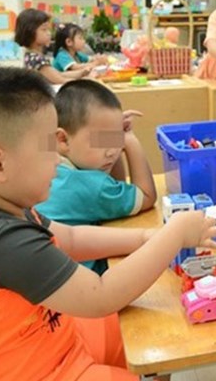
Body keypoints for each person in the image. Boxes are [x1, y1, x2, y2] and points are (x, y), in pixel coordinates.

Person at [0, 65, 216, 381]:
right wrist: (172, 235)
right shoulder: (4, 241)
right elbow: (101, 295)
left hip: (54, 343)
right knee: (140, 323)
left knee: (154, 331)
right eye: (47, 147)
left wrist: (146, 237)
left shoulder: (7, 213)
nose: (57, 159)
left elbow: (71, 239)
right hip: (41, 371)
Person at [35, 80, 157, 275]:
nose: (112, 152)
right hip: (77, 287)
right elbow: (147, 196)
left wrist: (112, 133)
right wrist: (130, 140)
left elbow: (114, 185)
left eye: (115, 139)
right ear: (63, 139)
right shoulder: (86, 184)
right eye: (101, 140)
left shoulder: (49, 165)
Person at [15, 8, 91, 84]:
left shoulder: (32, 55)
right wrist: (87, 80)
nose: (49, 33)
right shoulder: (36, 59)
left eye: (48, 29)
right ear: (30, 33)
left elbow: (59, 74)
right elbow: (60, 80)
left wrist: (82, 73)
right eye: (44, 29)